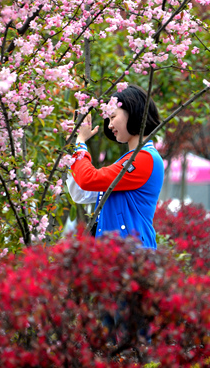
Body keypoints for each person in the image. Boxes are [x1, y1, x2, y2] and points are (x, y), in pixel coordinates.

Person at [67, 85, 164, 249]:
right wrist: (74, 145)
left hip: (132, 260)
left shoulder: (145, 158)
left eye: (112, 117)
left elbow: (88, 180)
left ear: (133, 112)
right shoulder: (130, 160)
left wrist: (81, 143)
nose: (110, 125)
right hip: (118, 259)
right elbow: (81, 193)